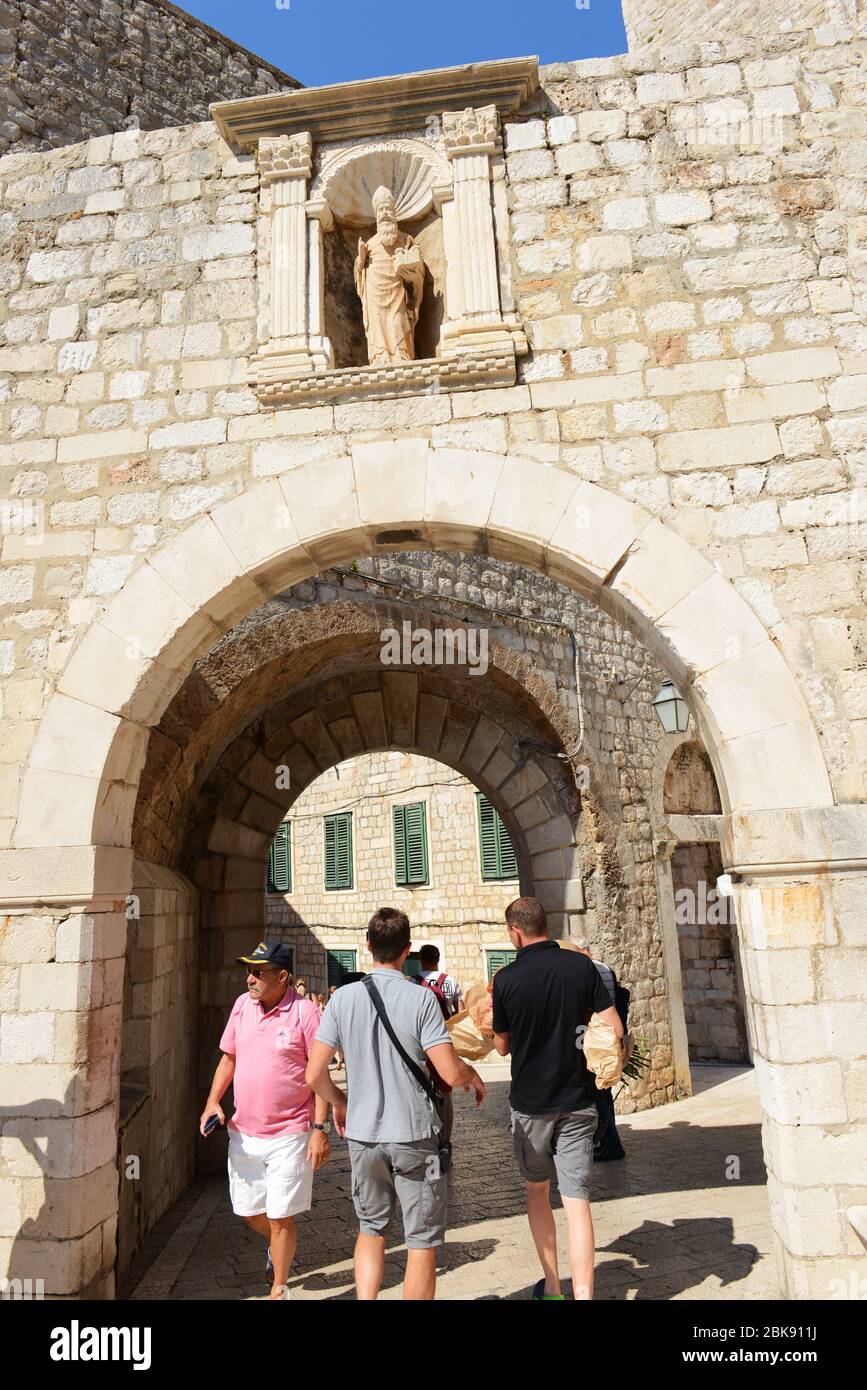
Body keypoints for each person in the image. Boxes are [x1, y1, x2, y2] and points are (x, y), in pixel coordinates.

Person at [306, 907, 487, 1301]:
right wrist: (470, 1073)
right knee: (421, 1239)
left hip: (364, 1136)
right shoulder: (421, 1000)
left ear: (368, 946)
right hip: (414, 1135)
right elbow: (449, 1072)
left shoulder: (342, 1000)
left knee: (371, 1230)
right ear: (407, 951)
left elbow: (313, 1074)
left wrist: (339, 1101)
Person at [491, 898, 623, 1301]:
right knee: (577, 1200)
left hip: (530, 1103)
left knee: (537, 1191)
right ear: (545, 926)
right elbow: (613, 1027)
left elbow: (500, 1047)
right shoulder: (582, 967)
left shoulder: (507, 979)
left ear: (515, 931)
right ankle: (584, 1295)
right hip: (579, 1099)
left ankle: (551, 1288)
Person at [199, 941, 331, 1301]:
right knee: (249, 1211)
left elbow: (319, 1077)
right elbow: (229, 1059)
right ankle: (278, 1248)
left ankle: (280, 1286)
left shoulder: (305, 1013)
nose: (250, 978)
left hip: (291, 1133)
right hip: (245, 1133)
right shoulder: (243, 1007)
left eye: (258, 971)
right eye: (249, 970)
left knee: (280, 1217)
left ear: (282, 976)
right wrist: (213, 1101)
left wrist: (319, 1130)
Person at [574, 937, 627, 1162]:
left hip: (592, 1037)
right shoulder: (607, 969)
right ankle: (608, 1141)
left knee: (596, 1090)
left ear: (580, 950)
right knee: (605, 1089)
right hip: (610, 1035)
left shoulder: (585, 971)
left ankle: (611, 1143)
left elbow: (589, 1004)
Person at [415, 944, 463, 1017]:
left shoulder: (412, 982)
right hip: (446, 1027)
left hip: (421, 1028)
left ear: (421, 960)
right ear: (438, 960)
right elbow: (461, 1014)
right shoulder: (451, 981)